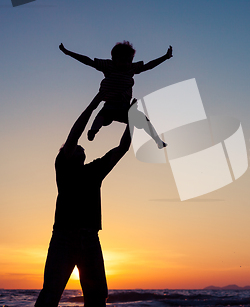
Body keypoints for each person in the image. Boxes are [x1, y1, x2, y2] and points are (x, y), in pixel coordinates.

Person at [35, 93, 132, 307]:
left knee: (97, 297)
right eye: (73, 147)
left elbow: (122, 148)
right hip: (63, 238)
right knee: (50, 294)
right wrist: (94, 104)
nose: (79, 147)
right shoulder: (63, 167)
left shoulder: (95, 171)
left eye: (80, 148)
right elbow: (75, 135)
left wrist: (133, 120)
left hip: (90, 239)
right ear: (66, 153)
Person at [59, 41, 172, 148]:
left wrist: (165, 57)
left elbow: (149, 66)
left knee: (143, 119)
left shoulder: (131, 68)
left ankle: (157, 140)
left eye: (129, 61)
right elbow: (88, 61)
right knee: (101, 117)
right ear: (114, 58)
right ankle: (93, 131)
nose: (126, 64)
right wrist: (68, 53)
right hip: (110, 104)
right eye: (122, 60)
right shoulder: (109, 66)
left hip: (125, 107)